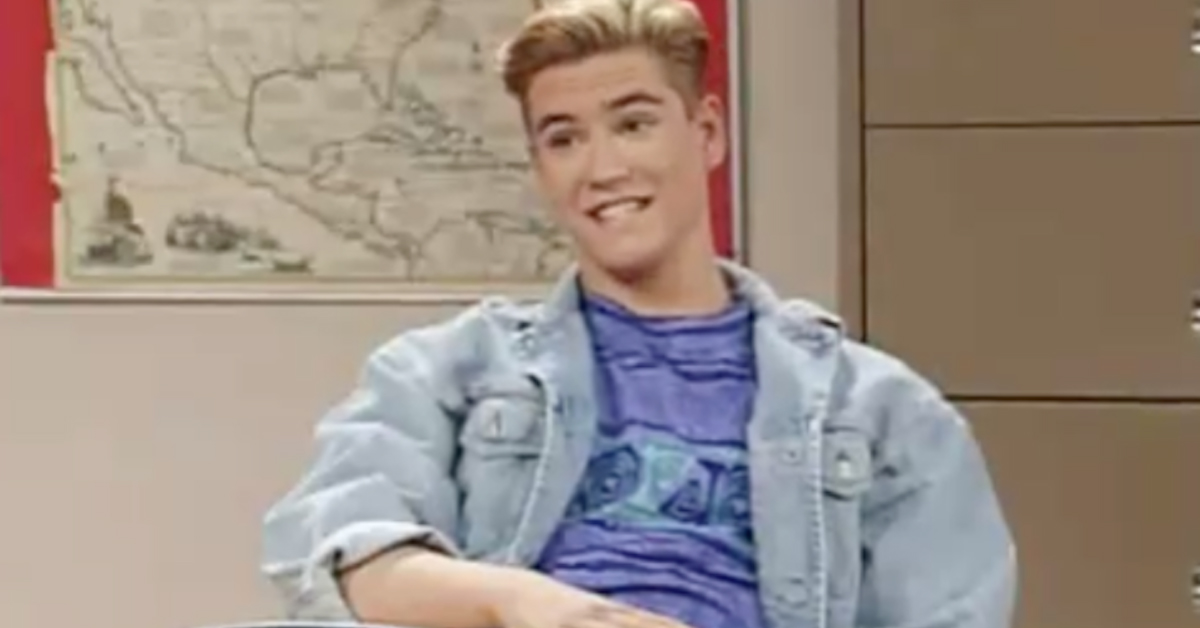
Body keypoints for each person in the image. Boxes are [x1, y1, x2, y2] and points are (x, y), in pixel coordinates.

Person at [258, 1, 1017, 627]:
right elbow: (344, 557)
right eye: (564, 138)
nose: (603, 169)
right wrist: (530, 605)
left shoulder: (883, 411)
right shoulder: (446, 371)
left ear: (707, 132)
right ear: (540, 167)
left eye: (633, 124)